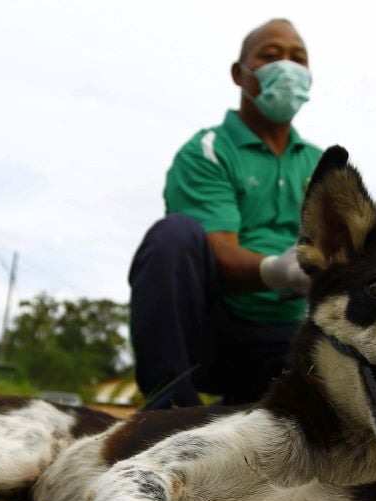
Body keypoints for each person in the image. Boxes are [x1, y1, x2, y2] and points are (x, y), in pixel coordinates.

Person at [129, 19, 323, 410]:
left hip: (291, 337)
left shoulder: (322, 165)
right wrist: (278, 271)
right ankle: (170, 407)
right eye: (270, 56)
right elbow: (219, 248)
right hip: (211, 337)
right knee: (174, 235)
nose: (287, 67)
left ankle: (256, 408)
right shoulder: (209, 150)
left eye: (298, 58)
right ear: (240, 73)